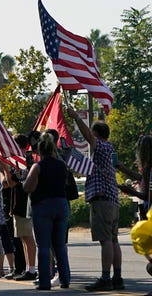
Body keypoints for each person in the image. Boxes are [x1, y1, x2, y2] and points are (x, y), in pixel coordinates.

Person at [67, 107, 124, 291]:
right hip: (112, 199)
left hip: (101, 199)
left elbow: (88, 137)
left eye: (92, 133)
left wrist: (75, 116)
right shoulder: (110, 148)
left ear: (96, 134)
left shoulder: (100, 146)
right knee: (113, 240)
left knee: (105, 240)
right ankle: (117, 277)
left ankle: (105, 279)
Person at [23, 132, 71, 290]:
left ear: (40, 151)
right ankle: (65, 279)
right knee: (60, 245)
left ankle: (44, 282)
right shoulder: (62, 165)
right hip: (61, 204)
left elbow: (28, 187)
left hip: (43, 206)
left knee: (43, 246)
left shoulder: (38, 166)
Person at [0, 134, 36, 281]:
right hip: (17, 204)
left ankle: (32, 269)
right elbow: (6, 183)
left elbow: (11, 182)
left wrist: (4, 169)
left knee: (27, 237)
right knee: (22, 238)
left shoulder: (25, 161)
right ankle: (28, 268)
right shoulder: (19, 161)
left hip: (24, 203)